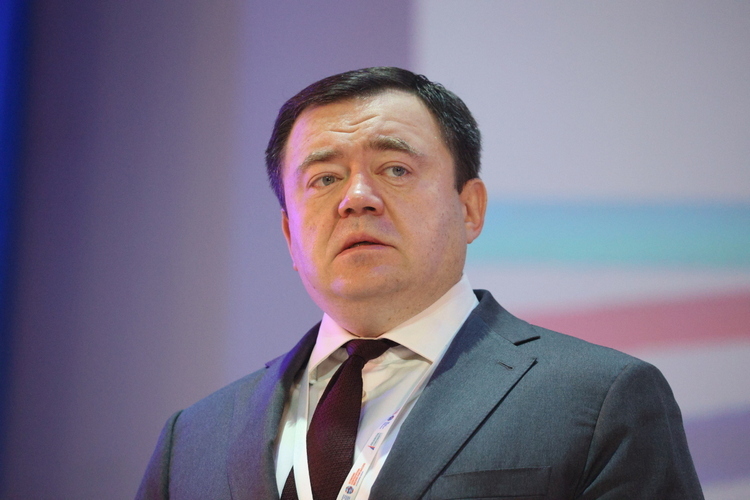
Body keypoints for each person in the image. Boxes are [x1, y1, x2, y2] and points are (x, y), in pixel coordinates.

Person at [136, 67, 704, 499]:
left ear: (469, 209)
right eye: (325, 178)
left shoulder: (599, 398)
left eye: (396, 169)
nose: (357, 198)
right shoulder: (195, 438)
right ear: (289, 234)